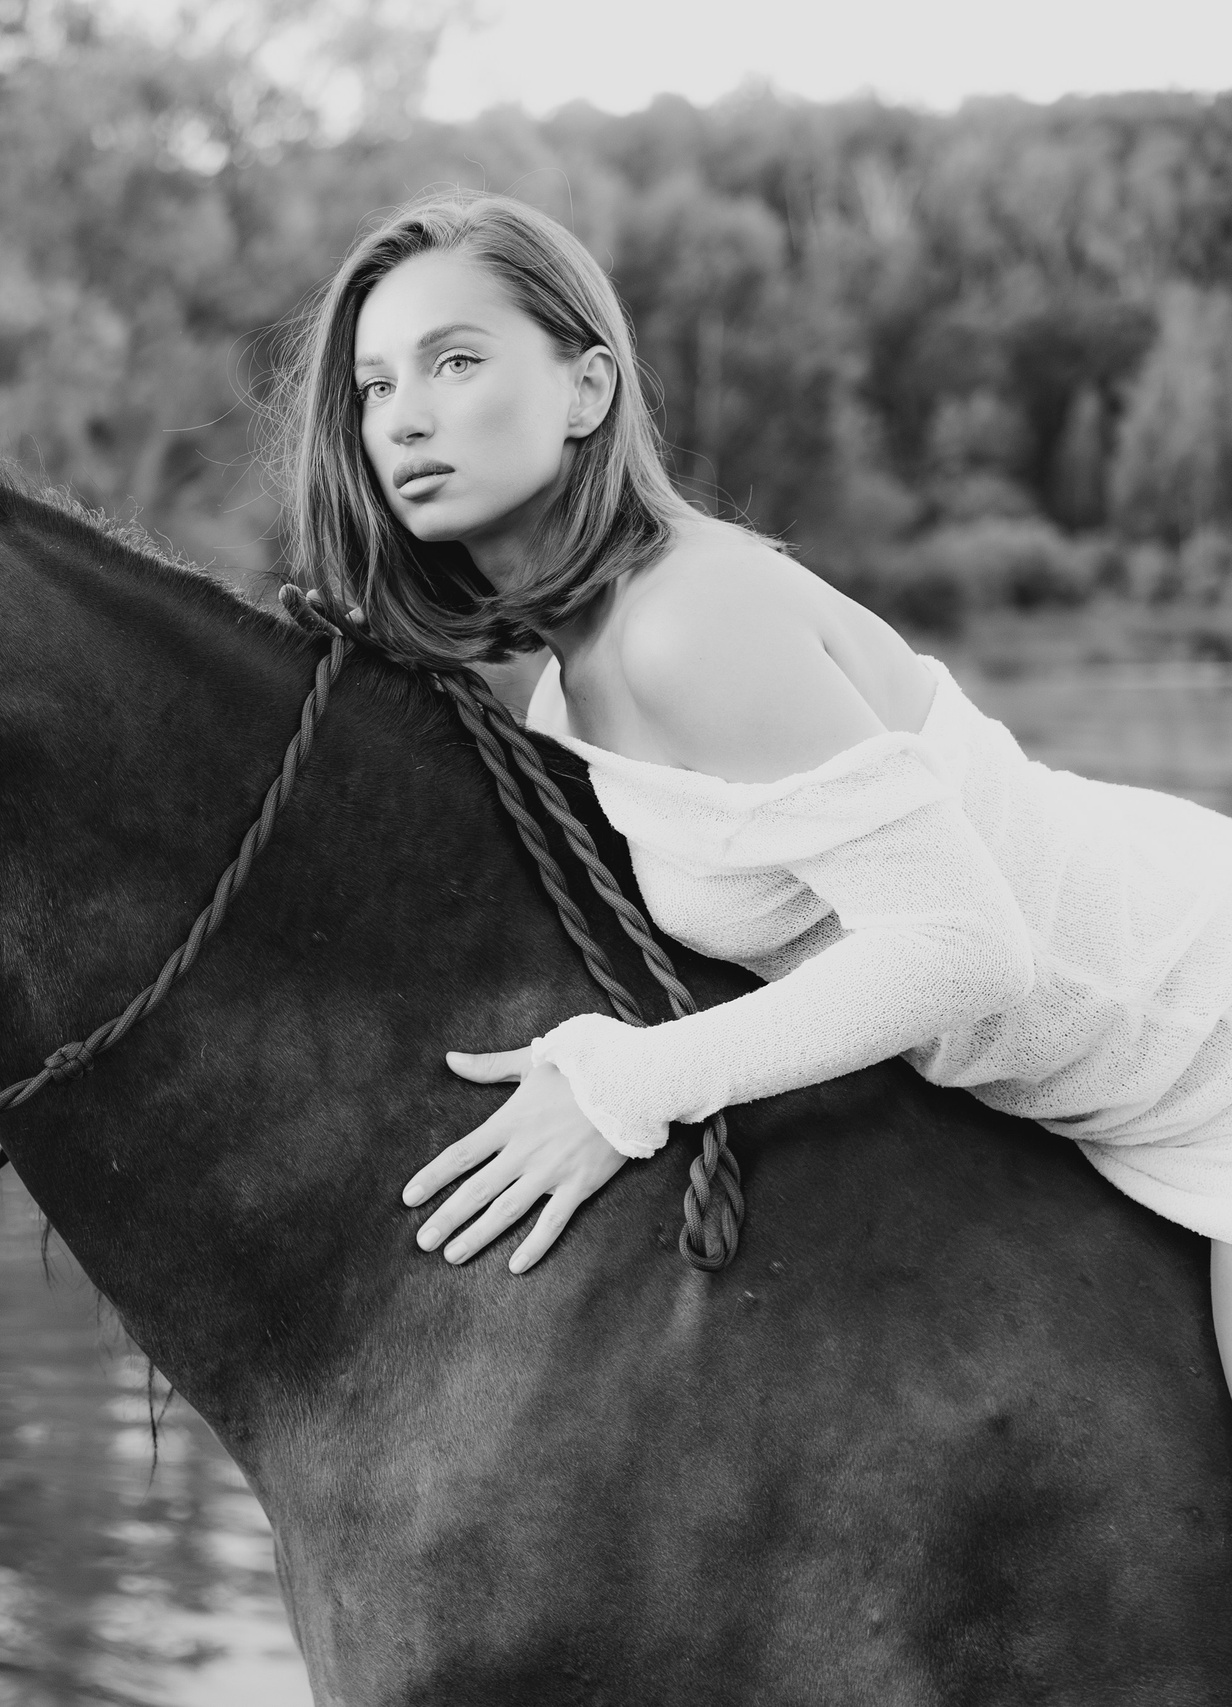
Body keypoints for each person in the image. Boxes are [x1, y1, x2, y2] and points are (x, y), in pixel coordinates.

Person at [276, 189, 1232, 1389]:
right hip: (1101, 1080)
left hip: (1207, 1037)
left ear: (587, 389)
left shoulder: (692, 620)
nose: (404, 419)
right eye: (373, 388)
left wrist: (630, 1083)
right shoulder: (565, 692)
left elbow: (964, 947)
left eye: (453, 361)